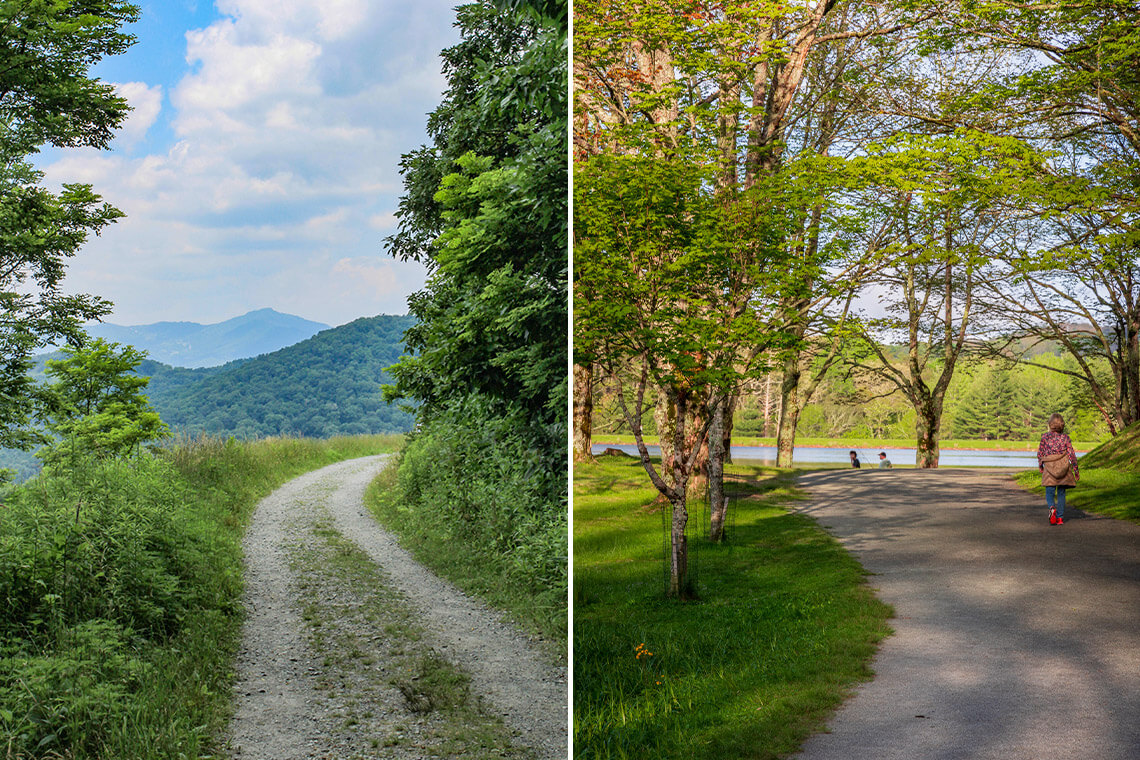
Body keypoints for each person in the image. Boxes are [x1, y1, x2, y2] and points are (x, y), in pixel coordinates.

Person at [1037, 413, 1079, 525]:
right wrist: (1076, 470)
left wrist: (1040, 465)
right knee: (1061, 493)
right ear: (1062, 424)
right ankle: (1060, 518)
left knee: (1049, 491)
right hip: (1063, 467)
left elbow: (1040, 453)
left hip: (1049, 467)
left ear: (1050, 424)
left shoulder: (1045, 437)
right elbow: (1072, 454)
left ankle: (1051, 507)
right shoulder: (1066, 438)